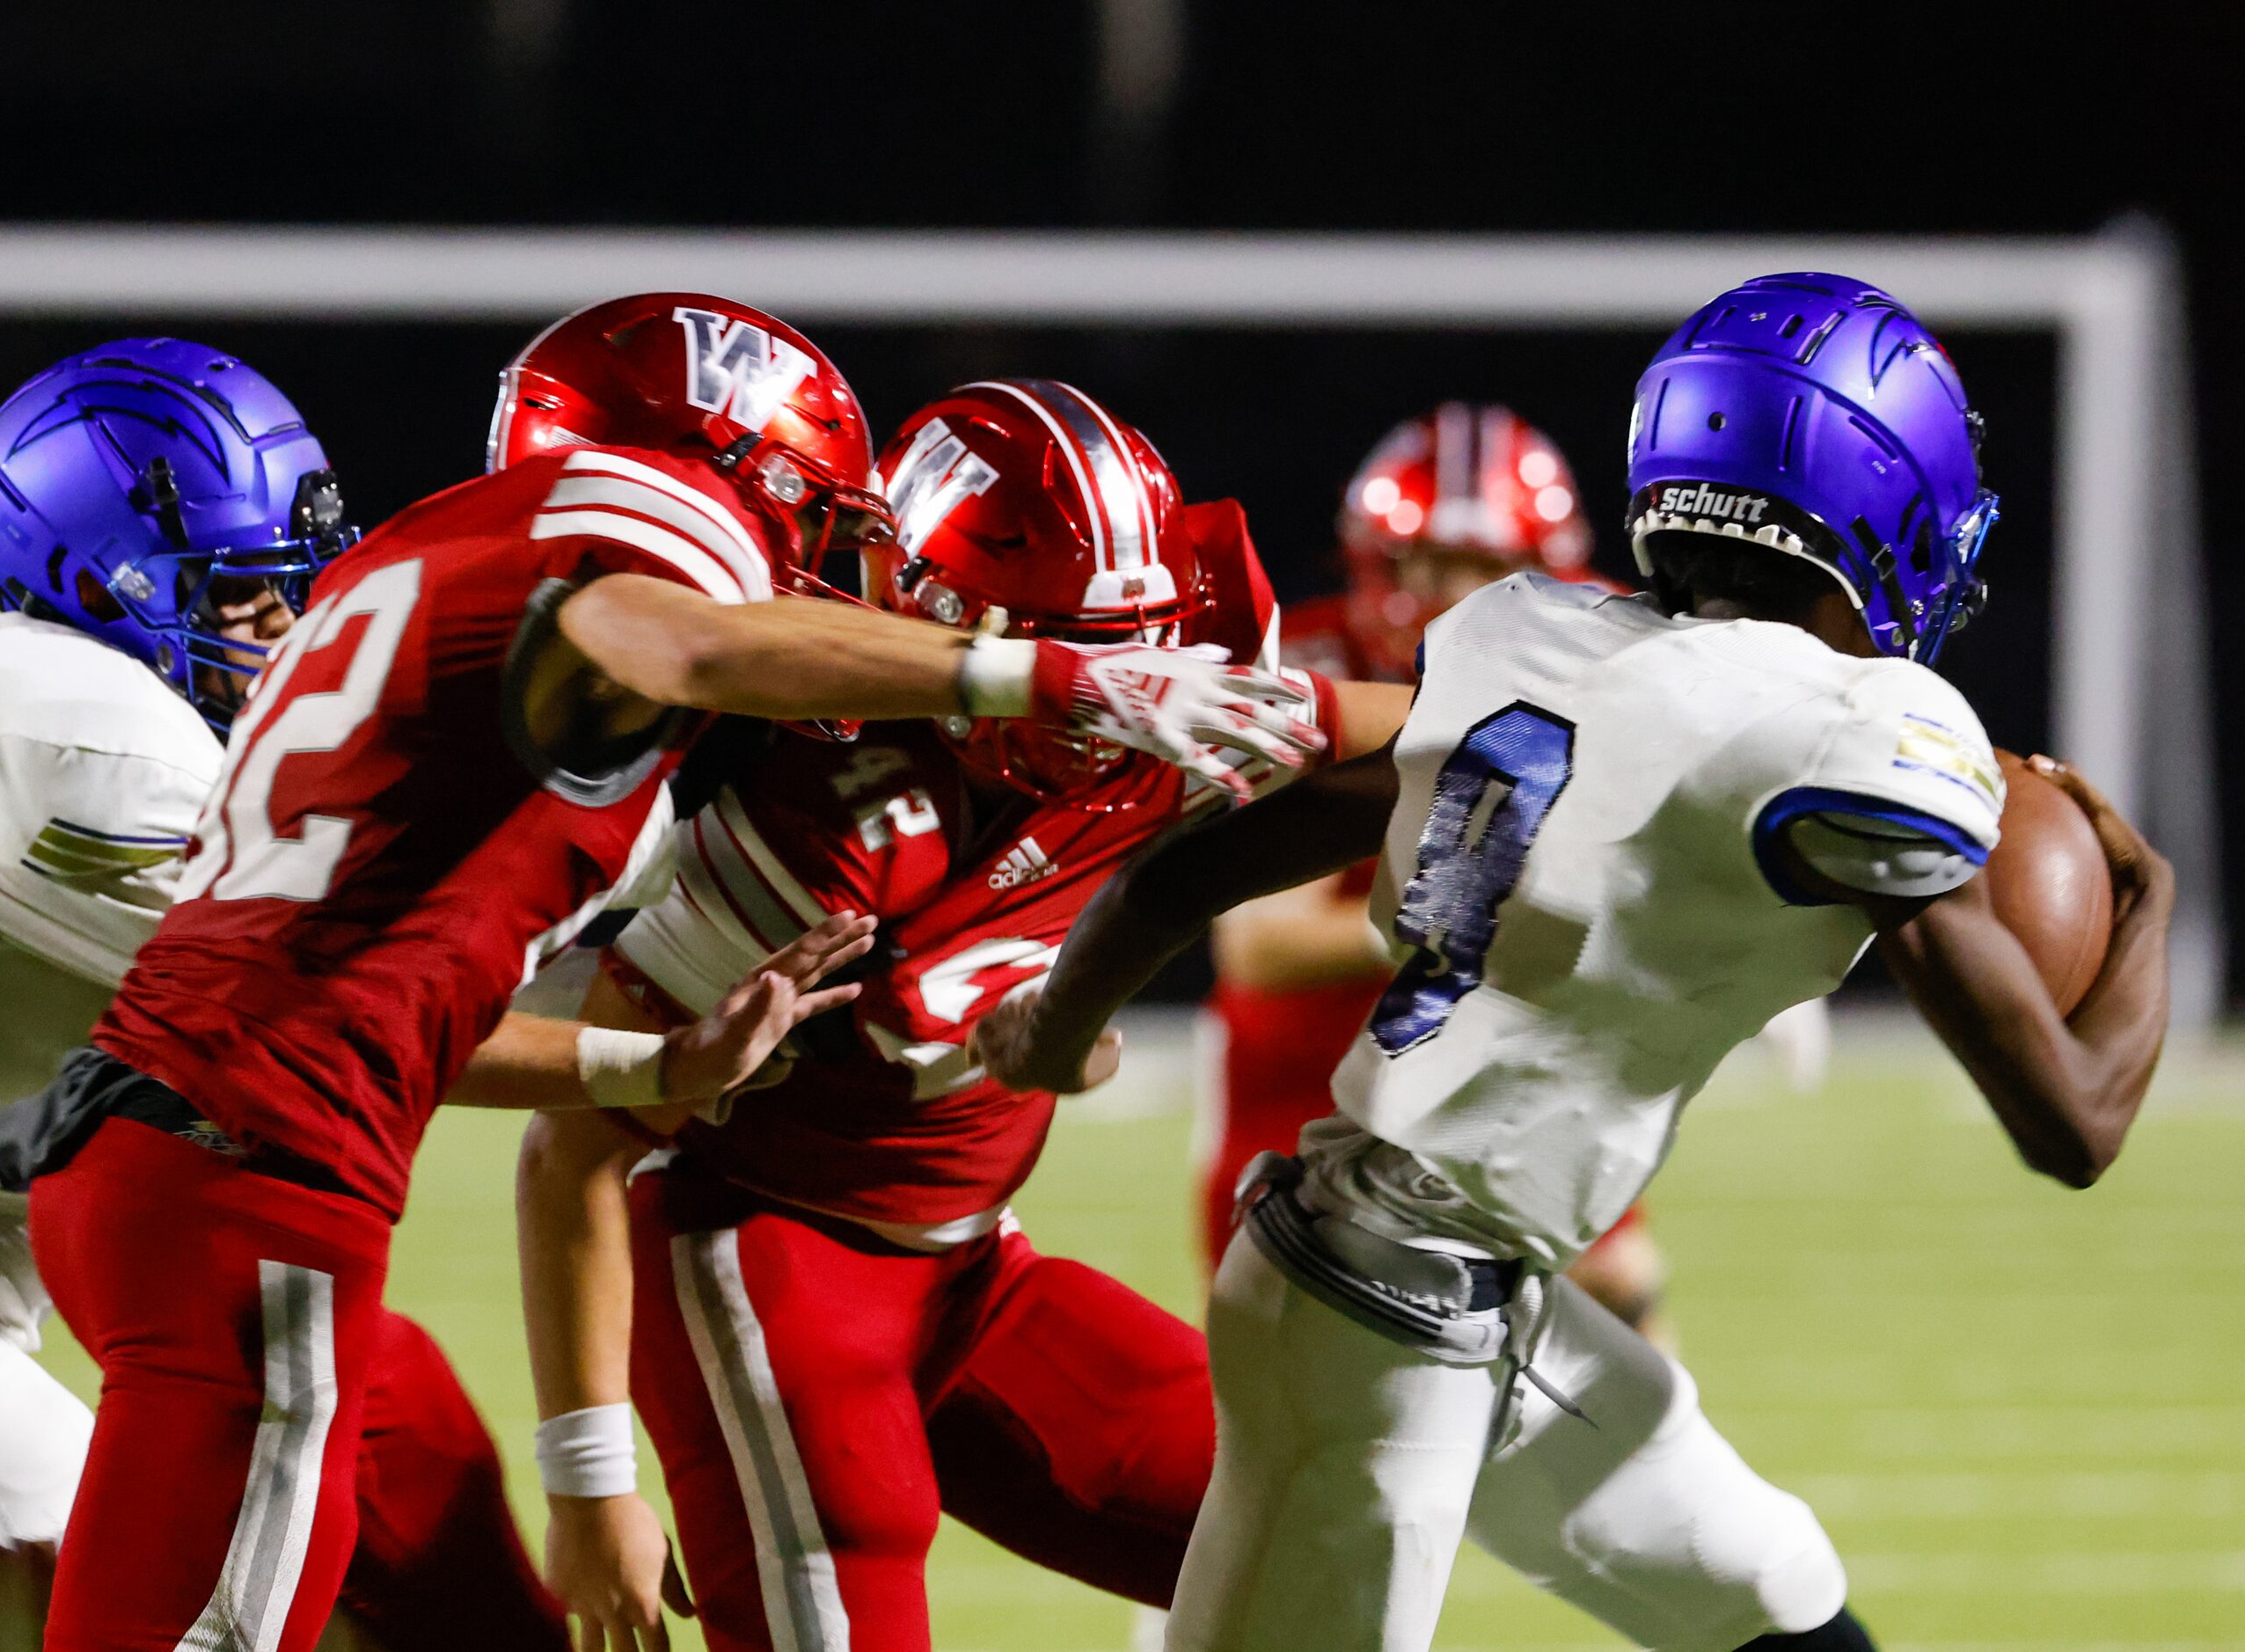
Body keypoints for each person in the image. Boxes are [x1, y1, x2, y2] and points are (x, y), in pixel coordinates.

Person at [3, 305, 1320, 1652]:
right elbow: (676, 639)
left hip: (171, 1144)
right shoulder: (642, 527)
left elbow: (397, 1004)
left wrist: (652, 1066)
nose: (821, 572)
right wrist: (1043, 676)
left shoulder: (422, 567)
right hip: (264, 1174)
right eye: (814, 521)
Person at [977, 273, 2175, 1652]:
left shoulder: (1527, 639)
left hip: (1449, 1287)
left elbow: (1191, 867)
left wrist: (1054, 1031)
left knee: (1768, 1592)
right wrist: (2149, 905)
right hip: (1386, 1321)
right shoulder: (1855, 736)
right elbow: (2077, 1122)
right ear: (1879, 498)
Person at [500, 377, 1415, 1652]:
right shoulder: (832, 810)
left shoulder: (1168, 702)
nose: (1105, 687)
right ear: (940, 623)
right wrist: (588, 1478)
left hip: (976, 1272)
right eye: (1065, 650)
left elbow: (1441, 736)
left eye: (1133, 642)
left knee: (1331, 1533)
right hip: (768, 1271)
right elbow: (577, 1147)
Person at [0, 340, 358, 1649]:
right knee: (165, 1601)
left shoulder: (7, 680)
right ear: (106, 582)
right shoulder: (69, 735)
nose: (291, 632)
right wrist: (631, 1059)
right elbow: (348, 997)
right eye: (248, 600)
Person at [1202, 406, 1677, 1340]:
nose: (1461, 599)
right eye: (1431, 564)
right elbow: (1258, 947)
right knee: (1294, 1366)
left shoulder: (1614, 660)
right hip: (1306, 1070)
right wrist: (1472, 917)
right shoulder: (1312, 673)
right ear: (1378, 564)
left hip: (1503, 1044)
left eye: (1493, 569)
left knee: (1619, 1287)